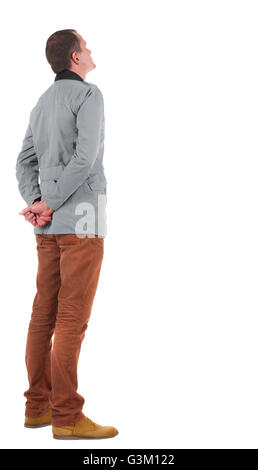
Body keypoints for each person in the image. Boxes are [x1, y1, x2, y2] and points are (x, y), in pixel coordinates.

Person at [15, 29, 118, 440]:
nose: (91, 51)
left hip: (49, 225)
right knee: (72, 318)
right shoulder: (89, 96)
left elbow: (24, 160)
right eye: (87, 47)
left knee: (44, 314)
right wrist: (50, 202)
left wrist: (38, 201)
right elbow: (85, 157)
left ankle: (37, 408)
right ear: (76, 58)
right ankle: (67, 415)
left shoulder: (41, 102)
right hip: (83, 220)